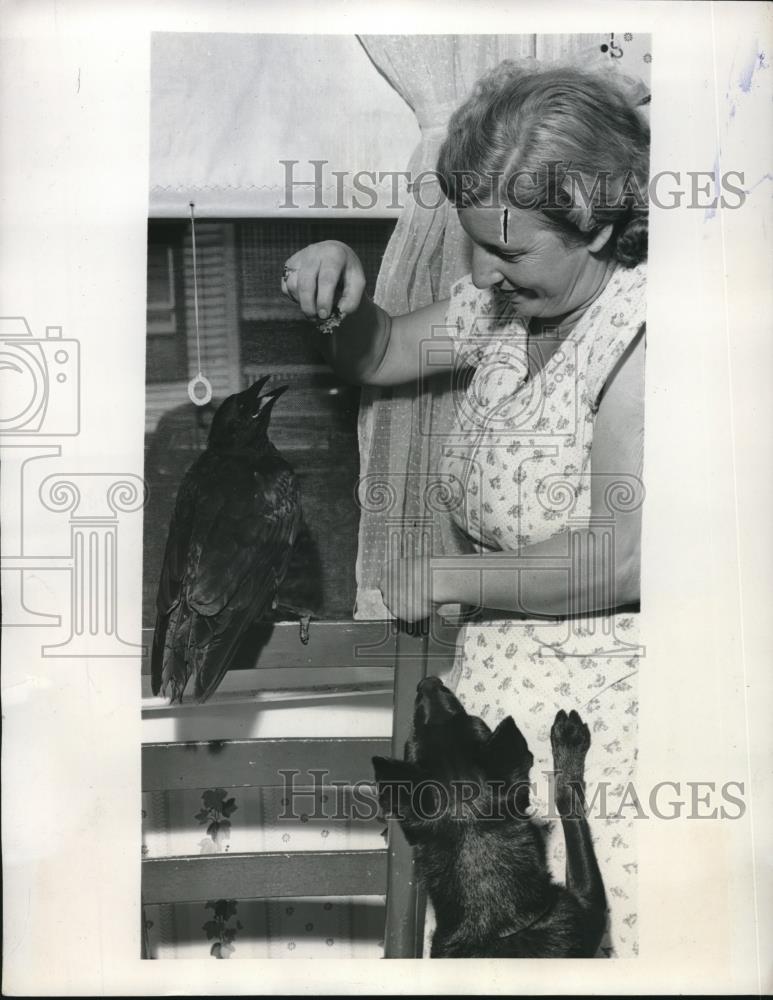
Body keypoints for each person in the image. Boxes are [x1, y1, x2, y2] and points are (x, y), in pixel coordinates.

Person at [281, 64, 648, 957]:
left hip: (612, 731)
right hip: (491, 736)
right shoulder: (503, 310)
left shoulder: (646, 334)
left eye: (509, 251)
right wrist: (341, 296)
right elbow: (378, 357)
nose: (482, 271)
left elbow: (623, 556)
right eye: (474, 241)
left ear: (595, 226)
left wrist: (443, 574)